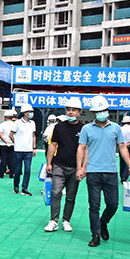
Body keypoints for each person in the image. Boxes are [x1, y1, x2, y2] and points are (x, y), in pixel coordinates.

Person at [76, 95, 130, 247]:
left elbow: (122, 147)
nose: (102, 113)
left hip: (111, 172)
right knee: (94, 205)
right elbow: (81, 148)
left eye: (104, 110)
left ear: (108, 110)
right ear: (93, 113)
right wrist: (80, 168)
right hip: (93, 172)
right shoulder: (86, 129)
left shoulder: (115, 128)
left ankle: (103, 222)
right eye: (98, 111)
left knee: (113, 204)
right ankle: (95, 235)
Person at [44, 98, 84, 232]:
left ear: (79, 112)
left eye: (74, 110)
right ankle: (53, 220)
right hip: (59, 165)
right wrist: (49, 163)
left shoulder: (83, 128)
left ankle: (66, 220)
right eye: (68, 110)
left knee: (71, 196)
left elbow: (85, 148)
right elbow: (53, 145)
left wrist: (82, 167)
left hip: (75, 167)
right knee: (56, 193)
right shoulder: (59, 127)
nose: (70, 112)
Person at [11, 104, 37, 196]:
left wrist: (34, 148)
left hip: (29, 150)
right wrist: (16, 142)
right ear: (25, 113)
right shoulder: (17, 123)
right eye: (29, 112)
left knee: (28, 169)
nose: (31, 113)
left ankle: (25, 188)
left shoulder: (32, 123)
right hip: (18, 150)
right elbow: (11, 134)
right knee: (18, 170)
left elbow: (33, 135)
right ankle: (16, 186)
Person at [0, 110, 17, 179]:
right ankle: (12, 174)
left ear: (5, 117)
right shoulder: (15, 124)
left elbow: (0, 135)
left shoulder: (2, 124)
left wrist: (6, 142)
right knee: (12, 160)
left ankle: (2, 173)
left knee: (3, 159)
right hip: (13, 144)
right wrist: (12, 142)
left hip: (3, 144)